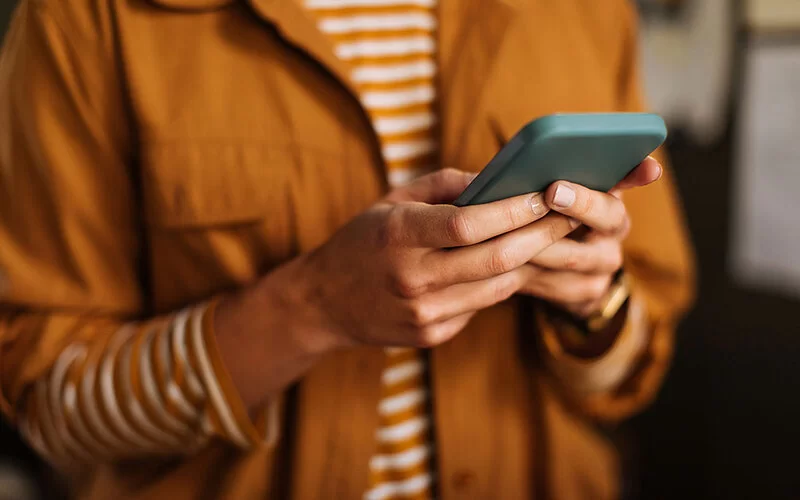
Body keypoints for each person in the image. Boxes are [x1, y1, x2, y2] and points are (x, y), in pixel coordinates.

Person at [0, 0, 695, 498]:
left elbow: (641, 355)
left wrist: (594, 303)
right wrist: (312, 307)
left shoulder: (588, 11)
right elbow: (43, 398)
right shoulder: (89, 18)